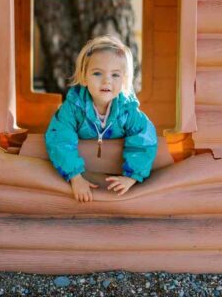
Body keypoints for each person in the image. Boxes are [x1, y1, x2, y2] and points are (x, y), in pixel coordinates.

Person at [45, 35, 158, 202]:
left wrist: (131, 177)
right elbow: (59, 138)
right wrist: (75, 177)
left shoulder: (127, 110)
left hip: (113, 174)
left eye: (115, 75)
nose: (107, 81)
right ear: (84, 77)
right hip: (82, 172)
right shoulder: (73, 108)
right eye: (97, 73)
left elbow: (145, 138)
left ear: (124, 80)